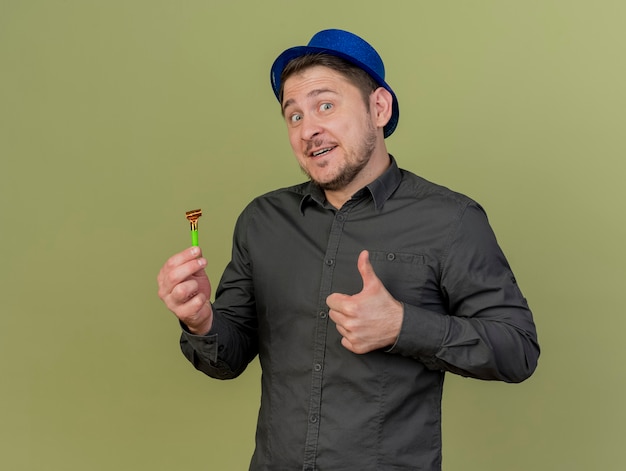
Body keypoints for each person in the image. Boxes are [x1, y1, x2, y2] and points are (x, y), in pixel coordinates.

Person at [157, 29, 540, 471]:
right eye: (293, 115)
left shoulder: (451, 220)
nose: (309, 129)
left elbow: (518, 350)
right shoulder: (262, 221)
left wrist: (403, 326)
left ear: (379, 107)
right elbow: (227, 359)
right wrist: (200, 319)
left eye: (325, 105)